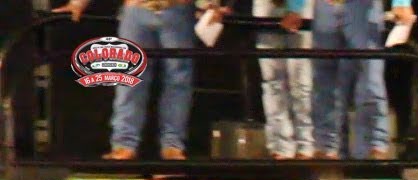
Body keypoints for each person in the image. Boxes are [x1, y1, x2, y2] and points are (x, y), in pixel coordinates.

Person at [55, 0, 226, 160]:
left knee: (177, 80)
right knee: (130, 80)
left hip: (177, 9)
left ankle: (172, 145)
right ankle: (124, 144)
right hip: (137, 10)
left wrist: (210, 5)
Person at [281, 0, 416, 159]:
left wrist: (401, 2)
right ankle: (326, 147)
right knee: (324, 79)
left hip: (363, 6)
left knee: (370, 76)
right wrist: (295, 6)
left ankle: (373, 147)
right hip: (326, 6)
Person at [255, 0, 315, 159]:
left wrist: (296, 7)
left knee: (301, 81)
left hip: (301, 5)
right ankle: (281, 146)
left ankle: (306, 145)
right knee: (272, 81)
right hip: (266, 5)